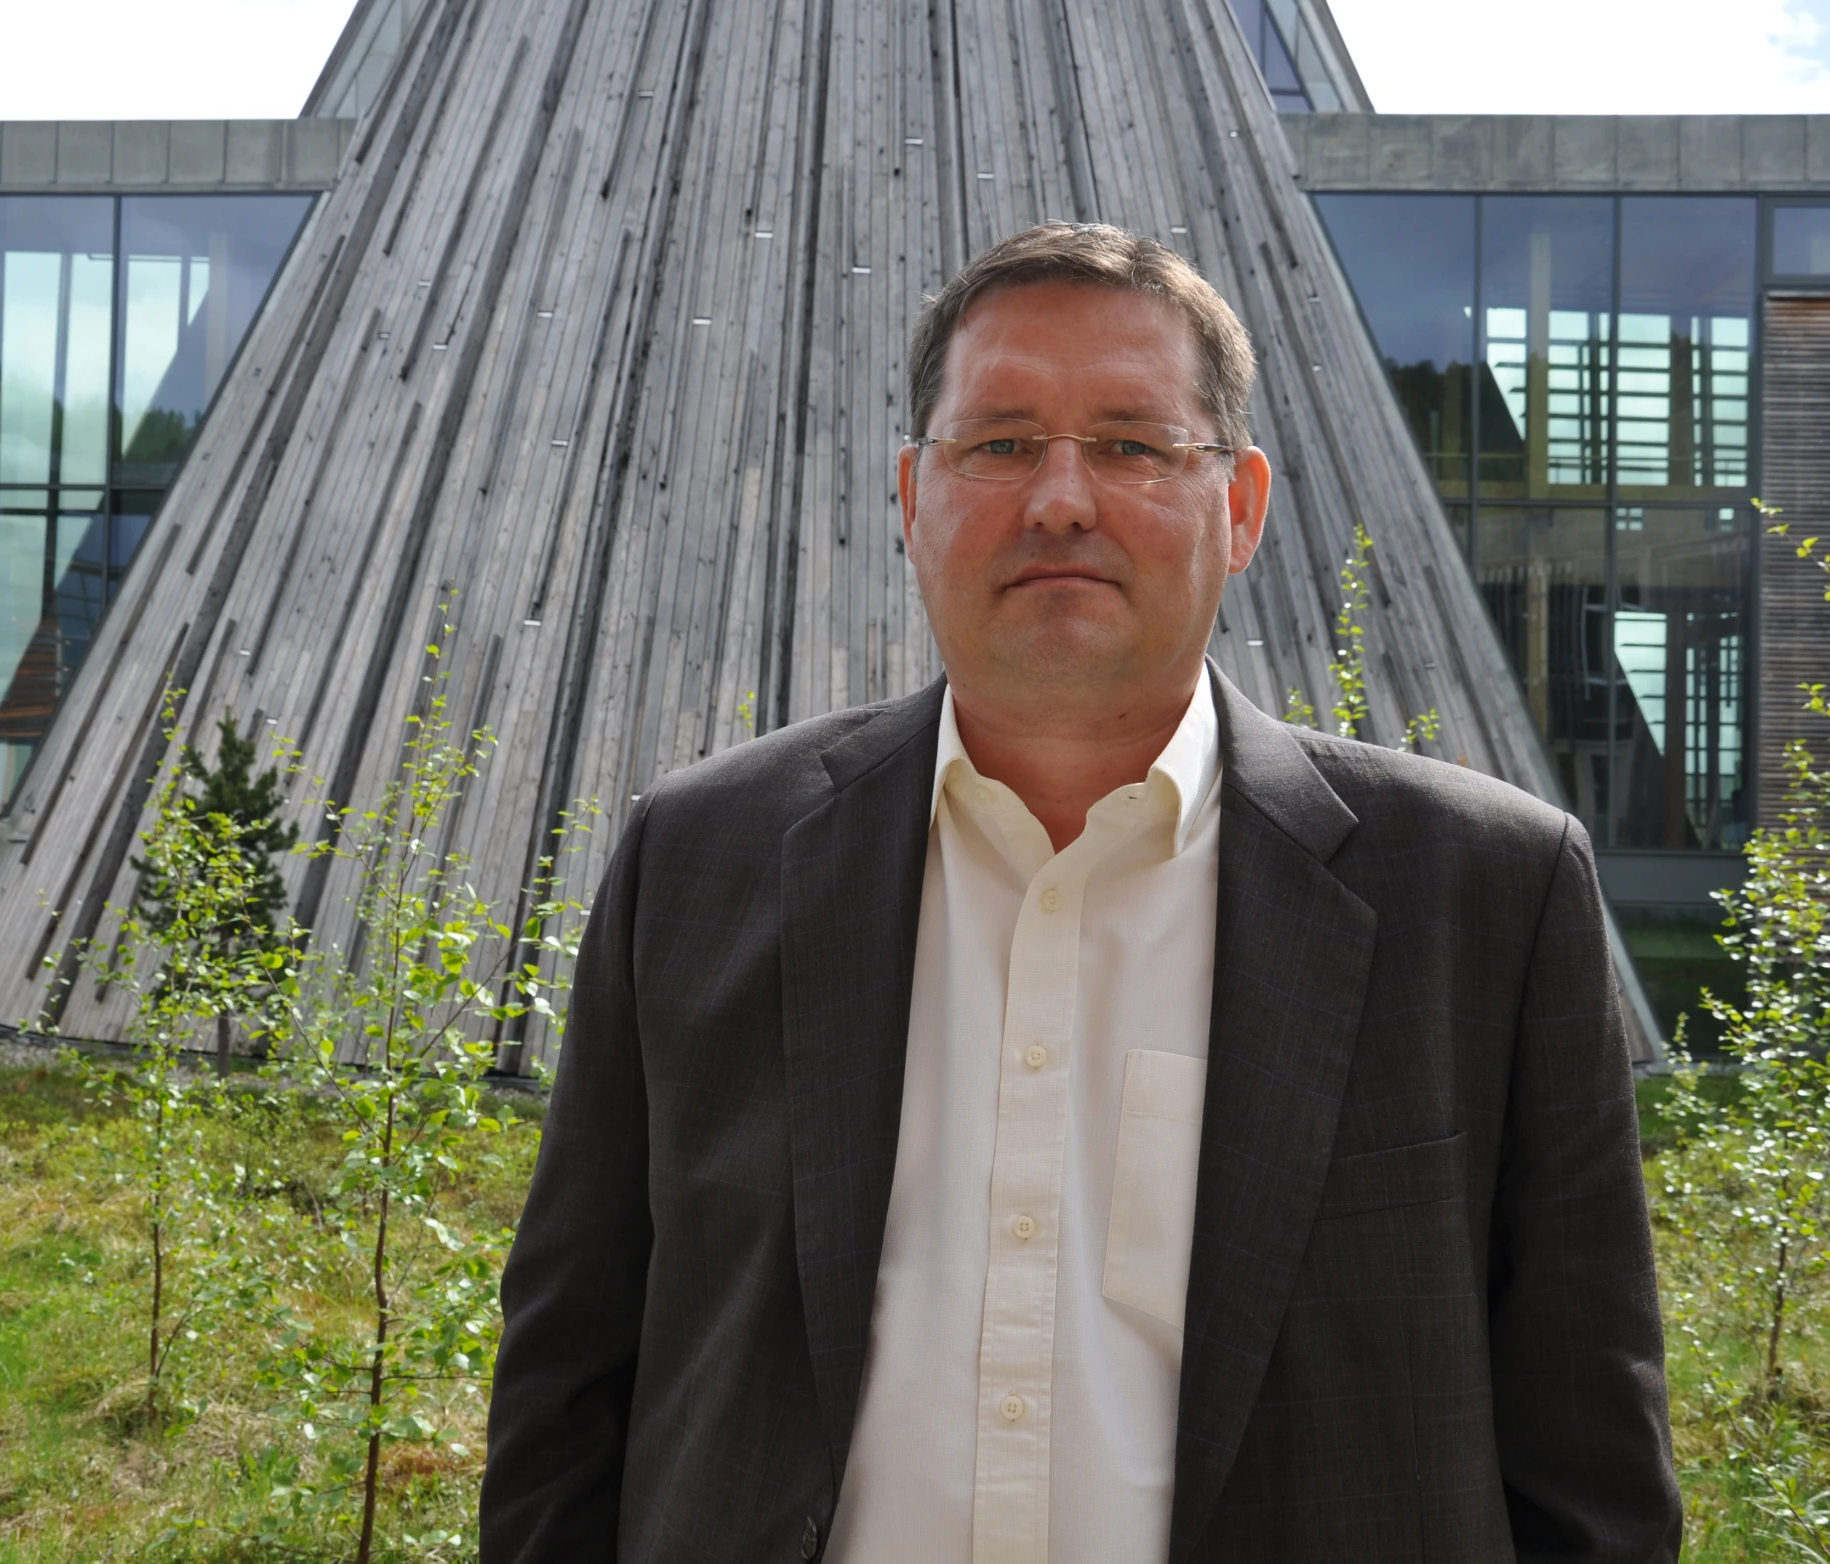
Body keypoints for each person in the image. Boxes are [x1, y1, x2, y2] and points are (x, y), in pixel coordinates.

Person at [480, 222, 1679, 1563]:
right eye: (997, 444)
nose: (1059, 499)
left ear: (1238, 509)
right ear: (909, 497)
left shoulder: (1486, 898)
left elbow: (1590, 1476)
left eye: (1131, 445)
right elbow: (565, 1395)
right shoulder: (697, 862)